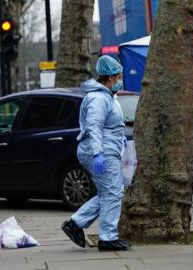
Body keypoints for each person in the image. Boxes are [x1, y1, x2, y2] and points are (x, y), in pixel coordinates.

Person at [61, 55, 131, 252]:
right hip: (101, 152)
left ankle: (75, 223)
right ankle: (108, 238)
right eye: (118, 77)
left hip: (107, 150)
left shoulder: (106, 96)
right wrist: (98, 153)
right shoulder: (98, 98)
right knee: (113, 193)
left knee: (108, 193)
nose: (120, 80)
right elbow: (94, 126)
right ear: (109, 78)